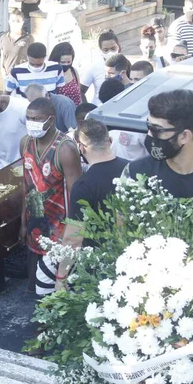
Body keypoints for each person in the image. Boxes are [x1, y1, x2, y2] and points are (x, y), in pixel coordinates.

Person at [48, 118, 128, 293]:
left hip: (100, 267)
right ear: (110, 141)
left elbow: (73, 238)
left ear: (81, 148)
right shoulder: (132, 169)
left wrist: (61, 277)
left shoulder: (84, 185)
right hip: (133, 259)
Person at [19, 97, 82, 292]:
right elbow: (26, 184)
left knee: (57, 289)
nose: (32, 122)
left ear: (51, 120)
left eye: (37, 119)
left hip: (58, 230)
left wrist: (72, 233)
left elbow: (76, 194)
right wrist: (22, 222)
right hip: (34, 225)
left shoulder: (65, 149)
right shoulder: (25, 143)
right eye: (29, 118)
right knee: (35, 288)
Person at [80, 31, 121, 105]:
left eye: (113, 48)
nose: (110, 52)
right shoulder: (93, 67)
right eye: (106, 50)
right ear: (100, 50)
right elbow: (81, 91)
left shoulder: (125, 64)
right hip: (100, 110)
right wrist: (86, 108)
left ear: (118, 46)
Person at [0, 9, 35, 82]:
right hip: (8, 77)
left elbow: (32, 58)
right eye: (13, 21)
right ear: (9, 22)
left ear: (22, 23)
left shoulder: (28, 38)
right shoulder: (3, 38)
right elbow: (2, 58)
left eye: (18, 21)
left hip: (23, 77)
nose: (15, 23)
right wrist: (3, 73)